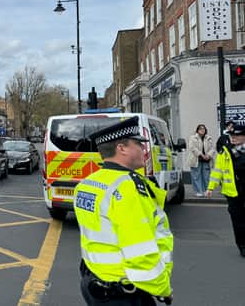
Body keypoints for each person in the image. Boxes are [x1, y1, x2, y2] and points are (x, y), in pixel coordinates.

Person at [74, 116, 173, 305]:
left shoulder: (87, 184)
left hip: (93, 281)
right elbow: (141, 253)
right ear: (122, 148)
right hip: (123, 292)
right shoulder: (127, 189)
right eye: (139, 144)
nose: (145, 149)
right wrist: (163, 289)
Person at [206, 124, 245, 259]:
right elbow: (217, 171)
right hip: (233, 191)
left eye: (236, 135)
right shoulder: (225, 151)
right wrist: (210, 187)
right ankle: (243, 246)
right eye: (232, 135)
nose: (233, 138)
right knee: (238, 221)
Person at [186, 124, 215, 197]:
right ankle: (198, 191)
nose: (202, 130)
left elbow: (212, 148)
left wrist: (208, 155)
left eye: (204, 129)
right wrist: (201, 154)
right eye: (200, 129)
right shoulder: (193, 138)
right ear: (197, 130)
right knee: (196, 176)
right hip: (196, 159)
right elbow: (192, 148)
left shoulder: (209, 138)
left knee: (206, 176)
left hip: (206, 160)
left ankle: (206, 191)